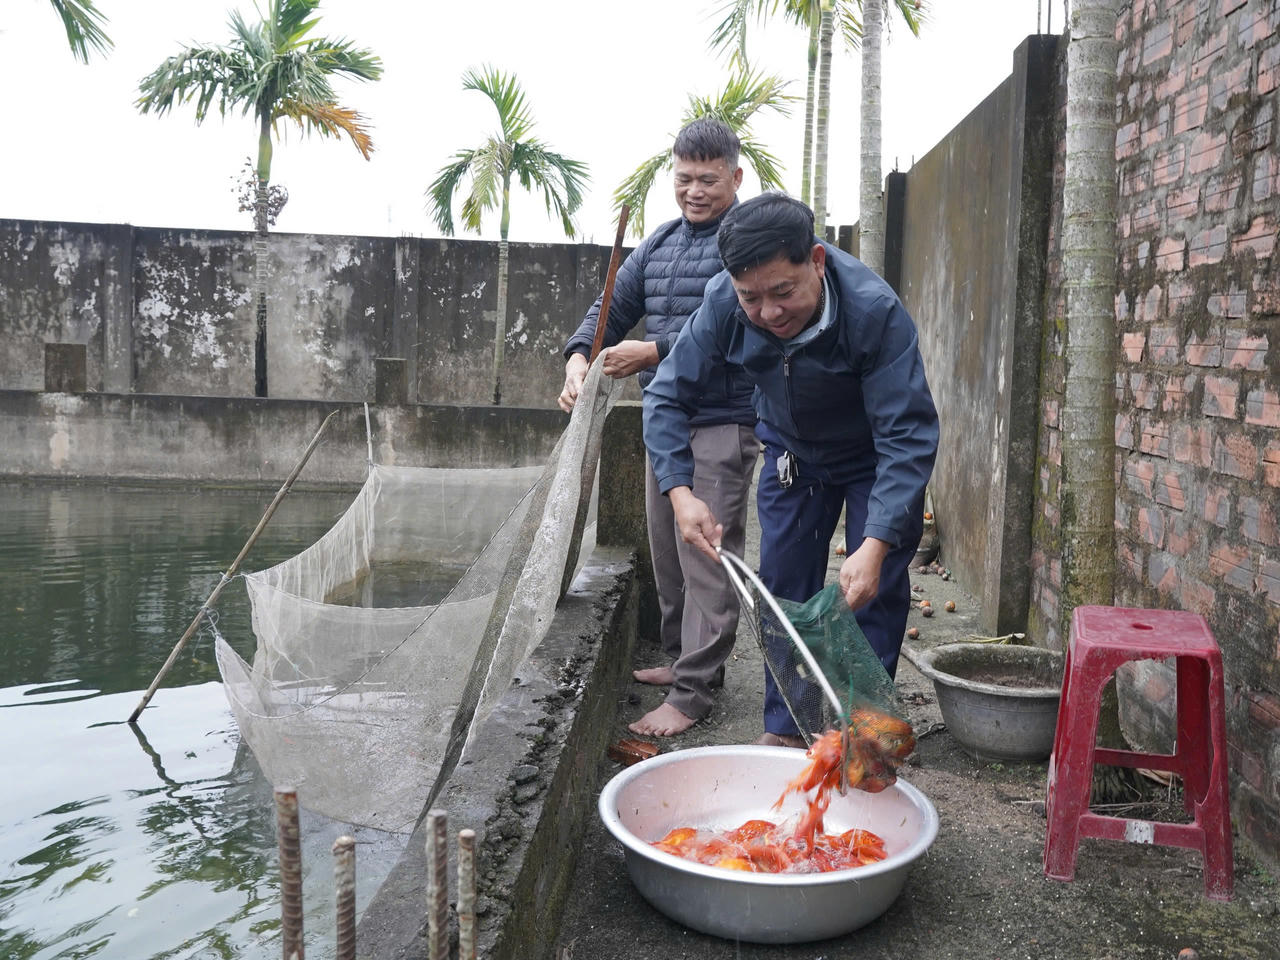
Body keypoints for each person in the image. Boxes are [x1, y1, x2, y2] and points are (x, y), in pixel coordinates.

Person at [642, 192, 939, 748]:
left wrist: (874, 542)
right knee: (781, 590)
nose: (769, 313)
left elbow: (907, 435)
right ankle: (785, 728)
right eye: (751, 298)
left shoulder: (874, 312)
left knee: (872, 591)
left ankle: (863, 737)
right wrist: (681, 493)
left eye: (784, 292)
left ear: (818, 261)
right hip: (791, 455)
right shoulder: (723, 305)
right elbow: (665, 396)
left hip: (875, 458)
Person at [557, 117, 760, 737]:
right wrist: (578, 356)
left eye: (707, 179)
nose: (694, 191)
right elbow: (610, 308)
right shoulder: (662, 243)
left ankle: (695, 693)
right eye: (683, 179)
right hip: (664, 418)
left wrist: (654, 350)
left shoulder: (748, 243)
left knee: (707, 552)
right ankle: (682, 660)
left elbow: (746, 326)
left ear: (735, 176)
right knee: (667, 545)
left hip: (724, 417)